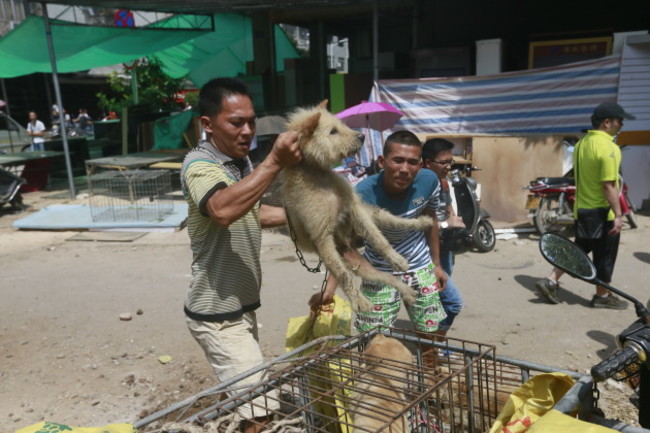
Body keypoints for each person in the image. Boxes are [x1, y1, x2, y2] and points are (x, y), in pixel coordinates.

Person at [181, 77, 301, 433]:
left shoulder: (240, 162)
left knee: (245, 395)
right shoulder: (199, 165)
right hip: (216, 315)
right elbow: (221, 209)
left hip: (241, 307)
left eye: (251, 120)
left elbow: (254, 211)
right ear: (208, 124)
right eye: (236, 122)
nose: (248, 130)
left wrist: (306, 218)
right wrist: (275, 162)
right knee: (260, 408)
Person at [309, 130, 447, 366]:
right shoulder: (360, 194)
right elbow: (343, 244)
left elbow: (431, 219)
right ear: (382, 162)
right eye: (398, 160)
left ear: (421, 164)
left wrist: (436, 264)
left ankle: (432, 391)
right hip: (378, 272)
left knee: (430, 338)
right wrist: (330, 289)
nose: (405, 168)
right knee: (373, 343)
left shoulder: (429, 181)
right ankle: (378, 392)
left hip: (420, 268)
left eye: (413, 162)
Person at [535, 101, 635, 309]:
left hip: (583, 209)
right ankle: (602, 296)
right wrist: (618, 214)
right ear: (607, 123)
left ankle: (551, 280)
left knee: (580, 249)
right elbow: (608, 185)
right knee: (605, 255)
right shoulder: (609, 147)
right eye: (619, 120)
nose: (622, 124)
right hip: (602, 212)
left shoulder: (582, 143)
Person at [422, 138, 465, 334]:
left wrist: (453, 218)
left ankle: (433, 346)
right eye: (444, 162)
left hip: (444, 248)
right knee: (453, 303)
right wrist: (447, 223)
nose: (448, 166)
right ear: (427, 162)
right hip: (426, 253)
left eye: (451, 162)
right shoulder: (420, 186)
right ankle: (433, 345)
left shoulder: (443, 182)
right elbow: (420, 224)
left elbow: (448, 208)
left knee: (437, 296)